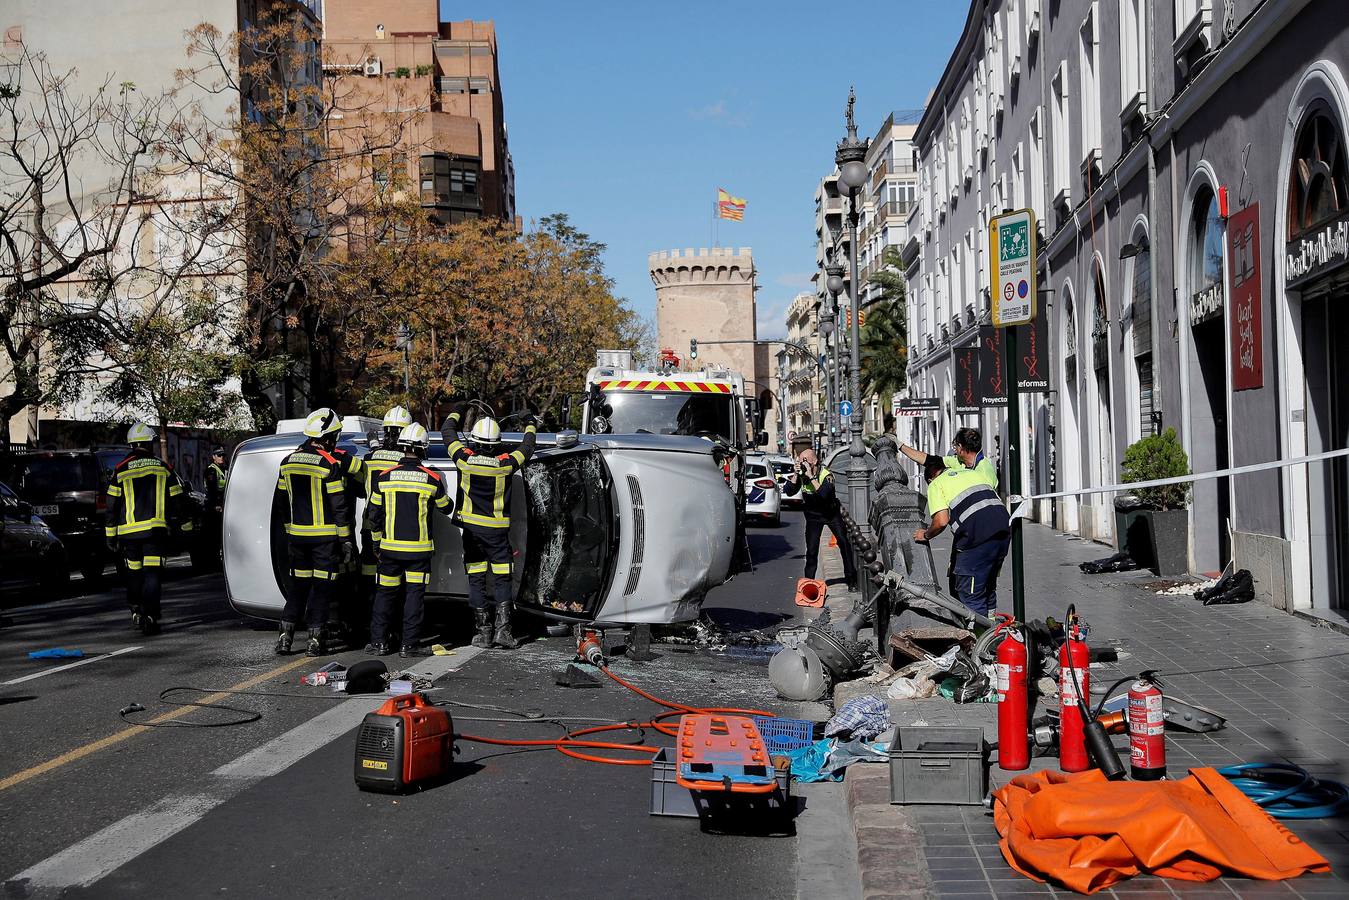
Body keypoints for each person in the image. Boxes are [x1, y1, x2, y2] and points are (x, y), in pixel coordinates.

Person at [442, 404, 537, 649]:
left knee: (476, 579)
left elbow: (447, 431)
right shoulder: (505, 464)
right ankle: (503, 632)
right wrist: (529, 421)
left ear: (474, 441)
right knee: (502, 579)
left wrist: (458, 410)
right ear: (497, 444)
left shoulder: (464, 459)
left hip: (471, 532)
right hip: (496, 533)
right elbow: (527, 447)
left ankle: (483, 633)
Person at [365, 423, 452, 657]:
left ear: (403, 448)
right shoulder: (431, 479)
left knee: (384, 596)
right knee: (414, 597)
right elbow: (447, 507)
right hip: (418, 552)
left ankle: (379, 643)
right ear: (423, 449)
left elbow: (373, 514)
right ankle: (409, 645)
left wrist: (376, 543)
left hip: (389, 550)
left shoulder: (384, 477)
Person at [274, 408, 354, 656]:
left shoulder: (286, 462)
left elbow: (280, 503)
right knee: (321, 589)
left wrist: (290, 531)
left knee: (298, 587)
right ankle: (315, 640)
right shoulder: (329, 464)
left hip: (297, 539)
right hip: (324, 541)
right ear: (328, 438)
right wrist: (346, 540)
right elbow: (338, 506)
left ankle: (285, 637)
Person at [105, 423, 194, 635]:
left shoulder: (120, 470)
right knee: (152, 574)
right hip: (155, 532)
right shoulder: (162, 467)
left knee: (134, 574)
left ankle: (136, 610)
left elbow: (111, 506)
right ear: (149, 443)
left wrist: (110, 535)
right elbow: (178, 499)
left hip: (128, 534)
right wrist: (186, 527)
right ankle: (151, 615)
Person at [912, 456, 1011, 617]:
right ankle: (993, 631)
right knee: (988, 585)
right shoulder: (971, 473)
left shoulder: (937, 484)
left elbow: (941, 521)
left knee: (970, 592)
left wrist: (926, 534)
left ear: (930, 478)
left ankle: (977, 637)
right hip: (1003, 529)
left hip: (977, 535)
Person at [356, 407, 413, 638]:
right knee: (395, 585)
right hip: (395, 531)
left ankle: (370, 627)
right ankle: (393, 630)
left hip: (369, 527)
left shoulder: (370, 457)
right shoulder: (407, 460)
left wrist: (374, 446)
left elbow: (361, 485)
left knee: (370, 580)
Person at [781, 448, 858, 590]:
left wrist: (811, 477)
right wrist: (796, 475)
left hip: (831, 514)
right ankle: (808, 584)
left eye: (805, 460)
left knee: (844, 543)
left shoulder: (826, 474)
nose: (803, 463)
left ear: (814, 461)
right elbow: (789, 491)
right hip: (813, 517)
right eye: (800, 460)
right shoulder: (802, 475)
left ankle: (851, 579)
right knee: (811, 550)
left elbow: (823, 494)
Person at [899, 427, 997, 488]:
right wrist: (900, 446)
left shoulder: (984, 471)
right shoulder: (959, 461)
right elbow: (928, 460)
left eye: (956, 445)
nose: (954, 449)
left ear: (962, 447)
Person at [204, 446, 229, 565]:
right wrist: (216, 505)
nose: (222, 457)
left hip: (224, 503)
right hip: (215, 506)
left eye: (223, 455)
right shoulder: (211, 470)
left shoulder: (224, 468)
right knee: (215, 534)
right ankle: (214, 561)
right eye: (219, 455)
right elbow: (212, 489)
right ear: (213, 457)